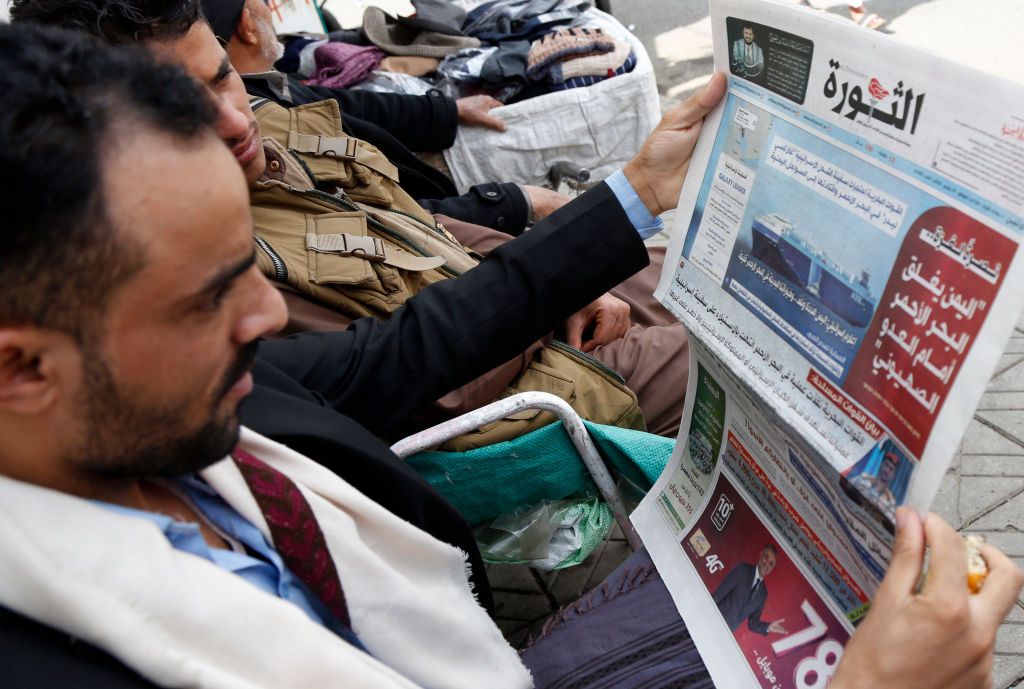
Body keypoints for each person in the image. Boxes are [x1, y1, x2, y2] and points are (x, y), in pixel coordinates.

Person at [0, 24, 1018, 689]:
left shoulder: (163, 408)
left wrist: (633, 191)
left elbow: (403, 347)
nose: (269, 313)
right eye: (212, 294)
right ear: (19, 368)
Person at [12, 0, 694, 440]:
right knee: (747, 359)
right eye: (175, 107)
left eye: (223, 78)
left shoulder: (266, 133)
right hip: (536, 395)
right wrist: (559, 277)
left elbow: (419, 225)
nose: (230, 119)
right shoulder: (198, 265)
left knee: (707, 277)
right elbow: (421, 374)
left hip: (525, 312)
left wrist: (566, 256)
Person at [209, 0, 572, 235]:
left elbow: (346, 105)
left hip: (434, 196)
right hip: (438, 224)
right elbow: (374, 218)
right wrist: (516, 201)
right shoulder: (260, 127)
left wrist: (447, 110)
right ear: (247, 25)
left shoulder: (271, 88)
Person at [713, 544, 788, 634]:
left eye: (771, 563)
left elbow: (752, 623)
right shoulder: (743, 569)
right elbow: (719, 593)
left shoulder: (763, 594)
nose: (767, 564)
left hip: (724, 634)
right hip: (712, 619)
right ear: (761, 554)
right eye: (766, 557)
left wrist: (768, 627)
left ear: (772, 568)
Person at [850, 448, 899, 520]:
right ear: (881, 464)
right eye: (886, 465)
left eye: (891, 469)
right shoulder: (862, 479)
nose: (887, 470)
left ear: (893, 475)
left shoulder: (891, 503)